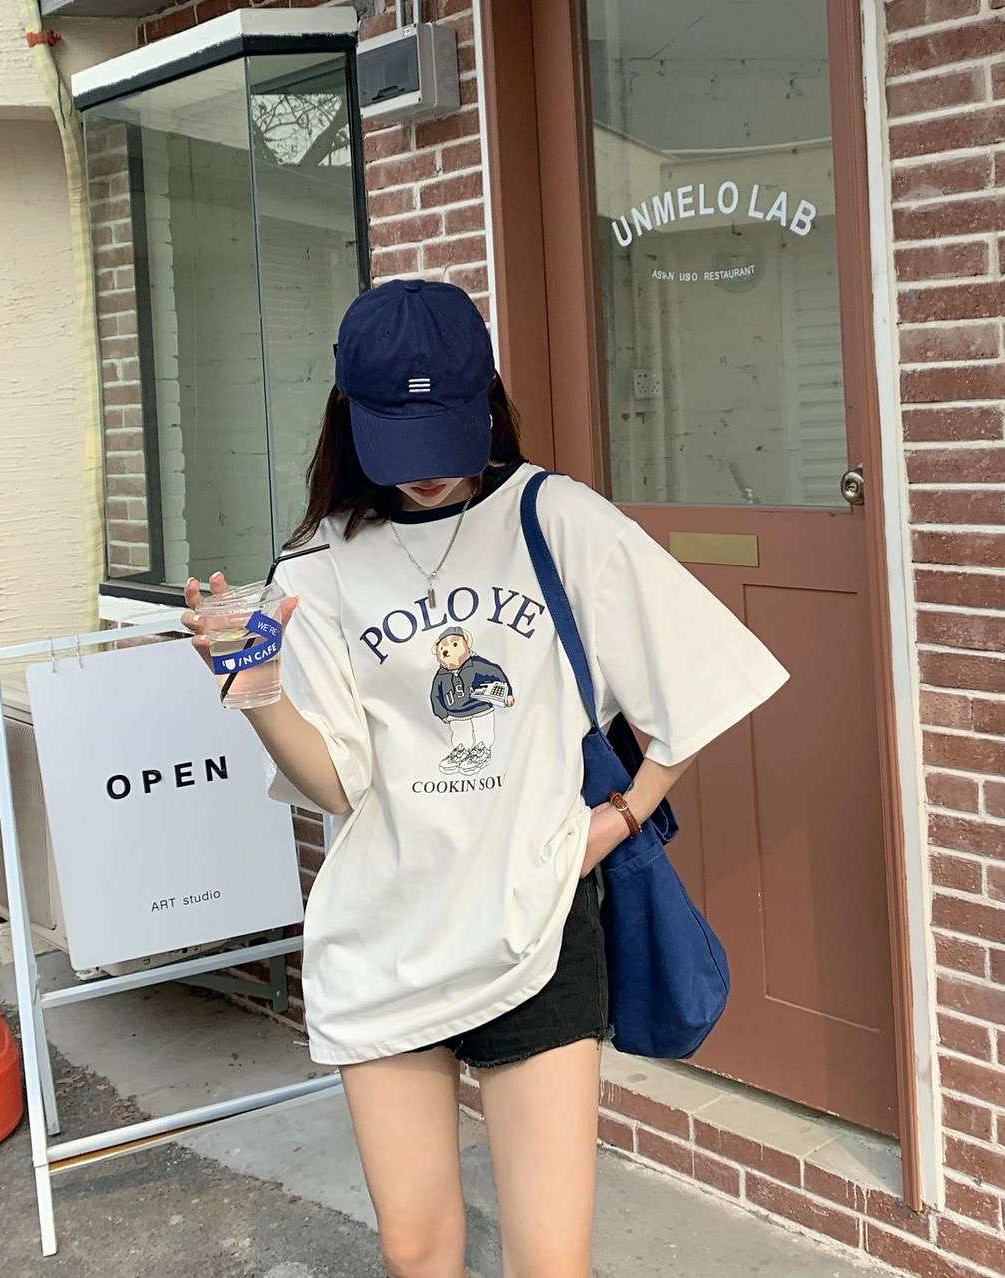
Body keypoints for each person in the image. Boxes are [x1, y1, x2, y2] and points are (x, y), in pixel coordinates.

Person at [183, 279, 789, 1278]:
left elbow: (699, 678)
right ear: (348, 418)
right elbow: (334, 786)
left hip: (534, 922)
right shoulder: (318, 567)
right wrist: (257, 692)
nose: (427, 473)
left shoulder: (557, 519)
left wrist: (623, 815)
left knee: (550, 1262)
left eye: (445, 436)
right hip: (383, 937)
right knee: (417, 1252)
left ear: (487, 403)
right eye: (400, 442)